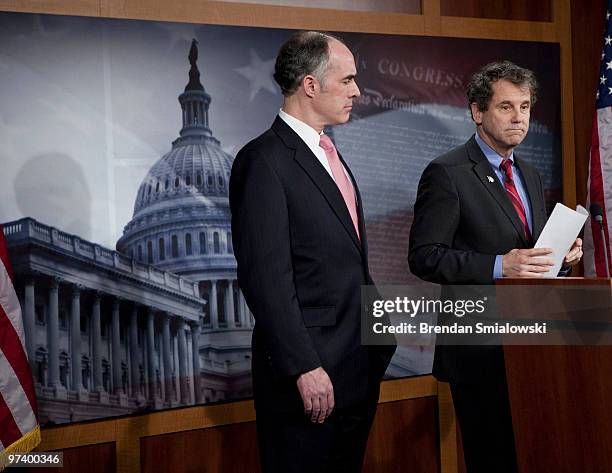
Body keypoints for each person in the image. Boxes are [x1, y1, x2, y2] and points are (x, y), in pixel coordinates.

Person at [230, 31, 395, 473]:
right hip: (309, 377)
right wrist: (303, 366)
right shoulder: (263, 160)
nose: (358, 91)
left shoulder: (333, 155)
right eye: (347, 80)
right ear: (310, 85)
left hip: (357, 368)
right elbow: (265, 277)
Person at [408, 60, 582, 473]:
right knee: (494, 460)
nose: (518, 117)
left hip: (535, 349)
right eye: (506, 107)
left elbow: (529, 258)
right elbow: (424, 256)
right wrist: (499, 266)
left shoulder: (531, 174)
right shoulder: (447, 173)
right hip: (481, 351)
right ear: (477, 111)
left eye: (524, 107)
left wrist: (559, 260)